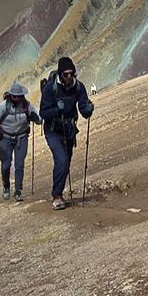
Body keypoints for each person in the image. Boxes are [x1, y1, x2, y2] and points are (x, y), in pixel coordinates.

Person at [39, 57, 94, 209]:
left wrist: (88, 110)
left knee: (66, 163)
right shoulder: (51, 88)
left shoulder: (79, 87)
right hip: (53, 130)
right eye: (66, 74)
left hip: (69, 130)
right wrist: (57, 110)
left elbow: (83, 108)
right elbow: (43, 113)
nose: (69, 77)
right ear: (60, 74)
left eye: (72, 74)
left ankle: (59, 192)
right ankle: (57, 196)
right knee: (62, 160)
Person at [0, 81, 39, 201]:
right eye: (14, 96)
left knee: (19, 165)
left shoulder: (27, 105)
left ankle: (18, 191)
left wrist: (36, 118)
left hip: (22, 137)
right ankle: (6, 185)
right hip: (5, 138)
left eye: (19, 96)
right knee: (6, 165)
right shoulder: (4, 106)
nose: (17, 98)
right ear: (11, 95)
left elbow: (39, 119)